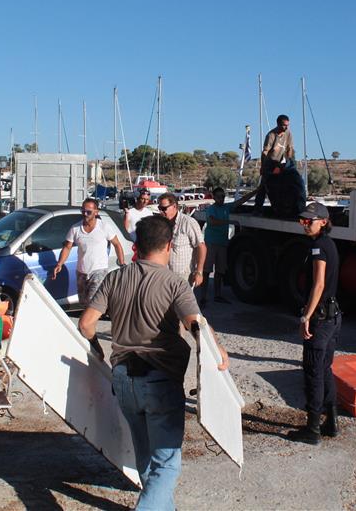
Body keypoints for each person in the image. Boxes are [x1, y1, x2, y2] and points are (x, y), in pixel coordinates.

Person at [78, 215, 229, 510]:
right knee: (167, 465)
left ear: (137, 245)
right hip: (159, 380)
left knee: (146, 458)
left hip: (123, 380)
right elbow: (193, 324)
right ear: (169, 245)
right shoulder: (174, 283)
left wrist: (96, 349)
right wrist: (215, 347)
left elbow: (86, 324)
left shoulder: (114, 277)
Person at [287, 202, 342, 445]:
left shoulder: (319, 247)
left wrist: (306, 317)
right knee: (326, 369)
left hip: (320, 319)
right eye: (303, 221)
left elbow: (318, 284)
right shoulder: (328, 244)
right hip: (333, 317)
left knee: (313, 372)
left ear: (323, 221)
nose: (305, 225)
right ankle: (331, 422)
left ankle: (312, 429)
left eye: (310, 221)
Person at [52, 198, 126, 305]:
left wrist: (122, 263)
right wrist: (60, 263)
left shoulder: (104, 227)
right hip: (81, 272)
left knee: (93, 303)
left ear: (96, 212)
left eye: (89, 212)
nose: (85, 214)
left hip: (99, 271)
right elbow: (67, 247)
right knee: (84, 303)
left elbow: (117, 244)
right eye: (83, 211)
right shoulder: (75, 228)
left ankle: (90, 319)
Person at [198, 186, 256, 307]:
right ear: (214, 198)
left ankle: (217, 295)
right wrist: (229, 222)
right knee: (207, 271)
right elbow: (212, 221)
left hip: (222, 243)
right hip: (211, 243)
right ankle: (203, 297)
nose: (221, 199)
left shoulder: (226, 207)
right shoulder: (211, 209)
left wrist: (256, 191)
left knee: (220, 271)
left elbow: (240, 201)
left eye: (223, 197)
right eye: (219, 197)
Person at [157, 192, 205, 287]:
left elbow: (201, 247)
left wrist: (199, 272)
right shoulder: (161, 224)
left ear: (174, 206)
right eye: (159, 208)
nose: (161, 212)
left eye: (164, 209)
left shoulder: (188, 223)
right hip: (165, 276)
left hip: (184, 277)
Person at [253, 114, 295, 215]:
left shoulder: (288, 133)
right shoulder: (271, 135)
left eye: (287, 125)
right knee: (264, 186)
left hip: (280, 164)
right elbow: (265, 152)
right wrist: (262, 167)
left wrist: (288, 161)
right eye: (284, 125)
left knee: (281, 187)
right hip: (269, 164)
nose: (286, 127)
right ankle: (257, 209)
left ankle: (281, 209)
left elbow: (290, 148)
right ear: (278, 124)